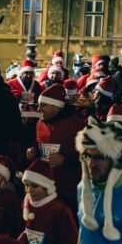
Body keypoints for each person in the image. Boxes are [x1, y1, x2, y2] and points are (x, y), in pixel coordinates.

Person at [26, 84, 86, 213]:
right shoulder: (40, 123)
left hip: (69, 188)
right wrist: (33, 152)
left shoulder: (78, 125)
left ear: (56, 106)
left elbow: (89, 155)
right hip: (45, 186)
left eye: (43, 105)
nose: (39, 109)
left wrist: (65, 159)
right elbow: (38, 144)